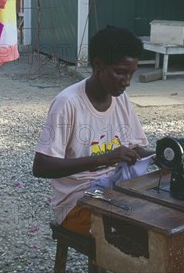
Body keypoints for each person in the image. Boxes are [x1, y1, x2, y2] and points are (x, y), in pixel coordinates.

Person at [32, 26, 154, 237]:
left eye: (131, 73)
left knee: (168, 219)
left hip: (114, 190)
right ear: (98, 65)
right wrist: (103, 159)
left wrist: (164, 155)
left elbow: (134, 148)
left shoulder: (120, 98)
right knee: (144, 235)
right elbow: (41, 167)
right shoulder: (68, 103)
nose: (127, 82)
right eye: (120, 72)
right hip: (76, 202)